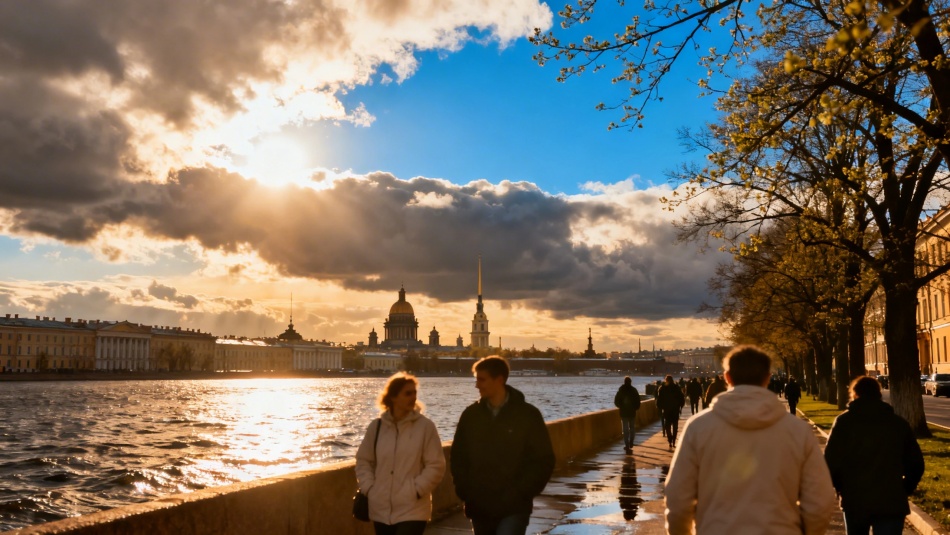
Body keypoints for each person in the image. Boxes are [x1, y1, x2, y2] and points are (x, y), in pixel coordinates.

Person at [664, 345, 835, 535]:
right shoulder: (798, 431)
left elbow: (678, 500)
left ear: (727, 377)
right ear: (767, 378)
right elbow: (819, 501)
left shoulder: (698, 428)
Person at [451, 356, 555, 535]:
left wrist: (522, 492)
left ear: (499, 380)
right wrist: (466, 491)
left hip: (514, 507)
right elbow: (458, 457)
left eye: (481, 380)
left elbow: (543, 460)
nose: (477, 385)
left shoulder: (528, 415)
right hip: (480, 505)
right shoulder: (470, 415)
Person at [824, 376, 925, 535]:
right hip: (891, 500)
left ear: (854, 394)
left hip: (855, 500)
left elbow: (830, 463)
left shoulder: (844, 422)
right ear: (879, 394)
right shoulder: (897, 423)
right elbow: (916, 463)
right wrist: (905, 488)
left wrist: (841, 487)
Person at [355, 372, 446, 535]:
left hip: (413, 509)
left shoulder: (425, 427)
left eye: (414, 393)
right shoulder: (376, 427)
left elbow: (436, 465)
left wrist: (416, 490)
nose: (413, 397)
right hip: (380, 509)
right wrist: (370, 488)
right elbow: (364, 461)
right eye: (407, 393)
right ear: (393, 397)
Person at [656, 375, 685, 450]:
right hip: (675, 410)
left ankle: (670, 440)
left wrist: (661, 408)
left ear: (666, 380)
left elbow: (659, 401)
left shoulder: (662, 389)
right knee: (675, 426)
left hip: (667, 410)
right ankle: (674, 441)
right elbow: (682, 399)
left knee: (667, 426)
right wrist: (680, 406)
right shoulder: (677, 388)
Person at [614, 376, 641, 453]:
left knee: (625, 429)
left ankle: (626, 444)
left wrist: (621, 406)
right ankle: (631, 442)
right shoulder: (634, 390)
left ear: (624, 382)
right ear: (630, 382)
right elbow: (638, 401)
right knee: (632, 428)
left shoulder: (621, 390)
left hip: (623, 413)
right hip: (632, 412)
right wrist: (635, 408)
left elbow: (616, 401)